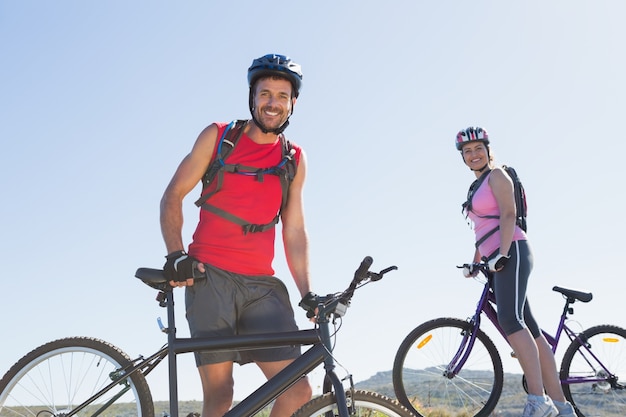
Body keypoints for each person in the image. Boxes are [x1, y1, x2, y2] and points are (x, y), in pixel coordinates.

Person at [160, 54, 313, 417]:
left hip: (261, 287)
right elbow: (173, 195)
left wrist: (308, 293)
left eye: (281, 95)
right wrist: (175, 255)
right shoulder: (218, 137)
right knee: (220, 394)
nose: (272, 103)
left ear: (293, 103)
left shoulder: (294, 159)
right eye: (265, 94)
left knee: (297, 388)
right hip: (209, 278)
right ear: (252, 96)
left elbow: (294, 230)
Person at [456, 127, 576, 417]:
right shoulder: (476, 186)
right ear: (462, 157)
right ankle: (561, 407)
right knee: (532, 331)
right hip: (497, 258)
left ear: (487, 149)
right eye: (467, 151)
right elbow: (483, 229)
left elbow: (508, 214)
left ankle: (538, 401)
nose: (473, 155)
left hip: (514, 252)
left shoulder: (497, 175)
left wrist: (503, 253)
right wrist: (476, 260)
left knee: (511, 320)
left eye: (478, 149)